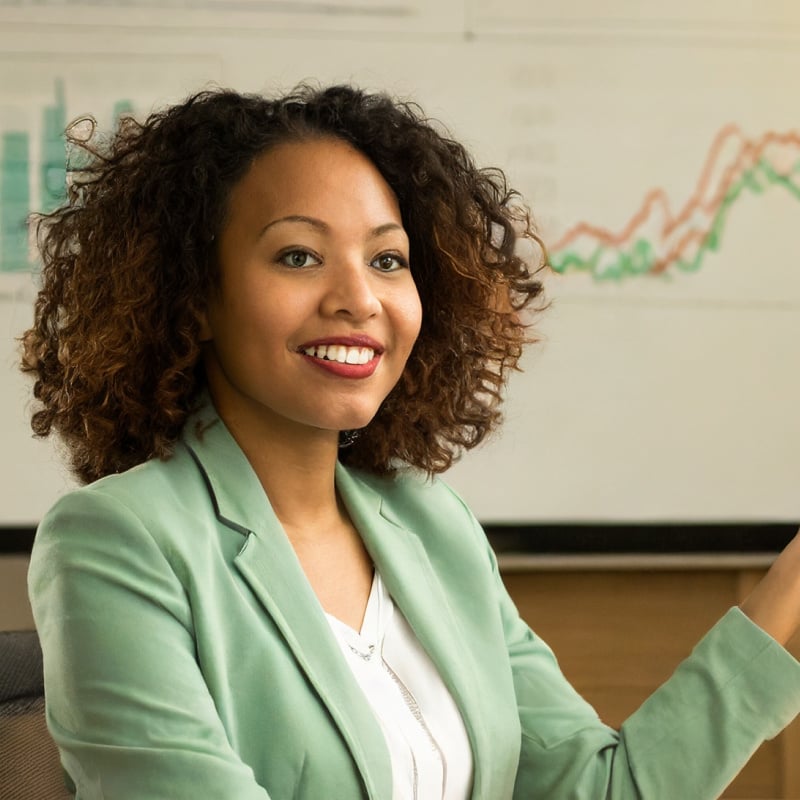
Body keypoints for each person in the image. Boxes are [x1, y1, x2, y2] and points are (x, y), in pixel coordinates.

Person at [21, 83, 800, 800]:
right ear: (195, 294)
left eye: (388, 260)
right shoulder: (117, 542)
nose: (359, 298)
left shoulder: (432, 526)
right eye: (298, 255)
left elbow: (600, 792)